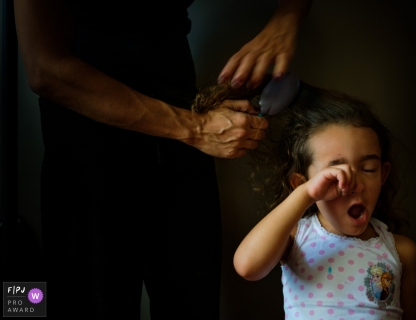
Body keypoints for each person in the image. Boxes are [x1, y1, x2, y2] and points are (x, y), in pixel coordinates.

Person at [12, 0, 312, 319]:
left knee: (193, 302)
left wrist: (287, 18)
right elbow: (44, 67)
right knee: (91, 303)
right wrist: (193, 128)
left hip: (183, 115)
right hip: (89, 128)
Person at [223, 82, 416, 319]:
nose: (355, 183)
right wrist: (306, 195)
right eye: (334, 174)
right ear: (301, 184)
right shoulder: (297, 238)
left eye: (368, 169)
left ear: (383, 175)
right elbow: (247, 266)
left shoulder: (402, 252)